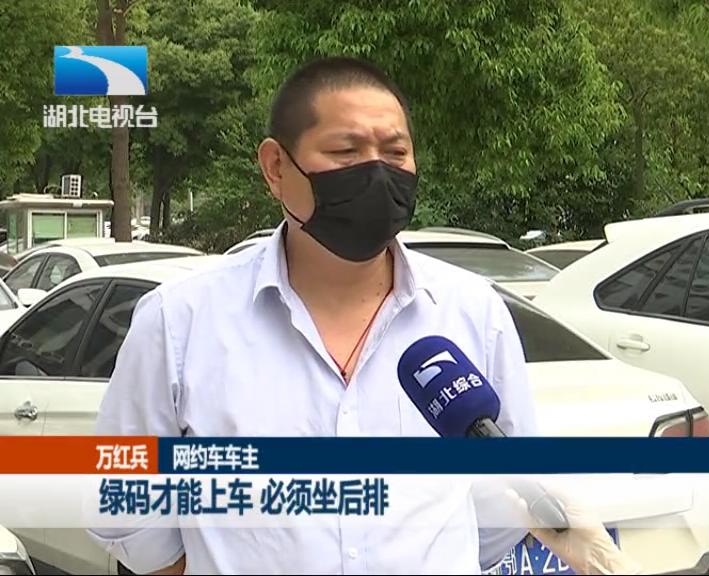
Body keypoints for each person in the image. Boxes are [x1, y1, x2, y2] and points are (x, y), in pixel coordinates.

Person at [88, 56, 636, 575]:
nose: (376, 173)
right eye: (346, 152)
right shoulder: (180, 322)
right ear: (276, 167)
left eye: (395, 152)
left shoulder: (472, 310)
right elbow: (130, 511)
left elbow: (502, 503)